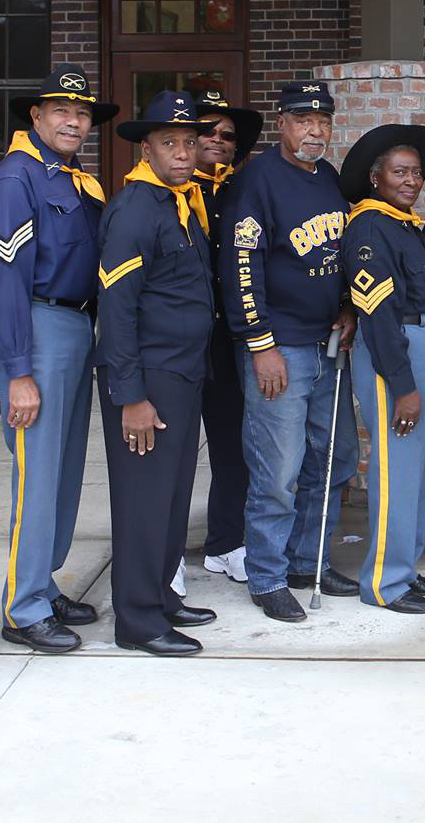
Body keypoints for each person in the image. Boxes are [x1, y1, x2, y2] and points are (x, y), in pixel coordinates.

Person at [0, 67, 115, 654]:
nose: (73, 121)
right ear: (34, 117)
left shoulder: (72, 178)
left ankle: (43, 580)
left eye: (82, 113)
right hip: (37, 327)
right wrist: (17, 372)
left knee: (61, 470)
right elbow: (7, 283)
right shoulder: (16, 178)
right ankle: (23, 606)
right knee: (37, 475)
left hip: (76, 326)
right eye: (60, 110)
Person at [223, 81, 360, 622]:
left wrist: (348, 305)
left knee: (333, 460)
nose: (315, 130)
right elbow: (241, 266)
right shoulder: (256, 181)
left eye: (323, 120)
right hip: (280, 347)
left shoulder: (328, 178)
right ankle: (267, 576)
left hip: (329, 345)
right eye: (304, 119)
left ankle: (309, 560)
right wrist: (261, 344)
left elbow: (341, 250)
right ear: (281, 122)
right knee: (277, 469)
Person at [93, 90, 223, 656]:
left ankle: (163, 596)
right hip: (148, 376)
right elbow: (117, 307)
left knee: (171, 495)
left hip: (182, 372)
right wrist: (131, 395)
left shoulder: (182, 202)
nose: (183, 152)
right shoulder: (135, 208)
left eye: (190, 142)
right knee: (144, 498)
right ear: (146, 147)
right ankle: (138, 620)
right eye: (169, 142)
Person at [340, 125, 425, 614]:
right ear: (375, 176)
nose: (411, 180)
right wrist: (401, 385)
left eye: (417, 172)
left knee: (417, 468)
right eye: (400, 171)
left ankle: (406, 564)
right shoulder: (369, 227)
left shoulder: (411, 226)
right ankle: (384, 583)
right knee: (395, 469)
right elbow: (378, 314)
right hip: (396, 354)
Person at [189, 87, 260, 586]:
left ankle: (227, 542)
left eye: (226, 135)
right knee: (167, 451)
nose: (217, 140)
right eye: (206, 132)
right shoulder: (164, 190)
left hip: (228, 335)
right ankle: (166, 554)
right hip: (178, 338)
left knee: (234, 443)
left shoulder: (243, 191)